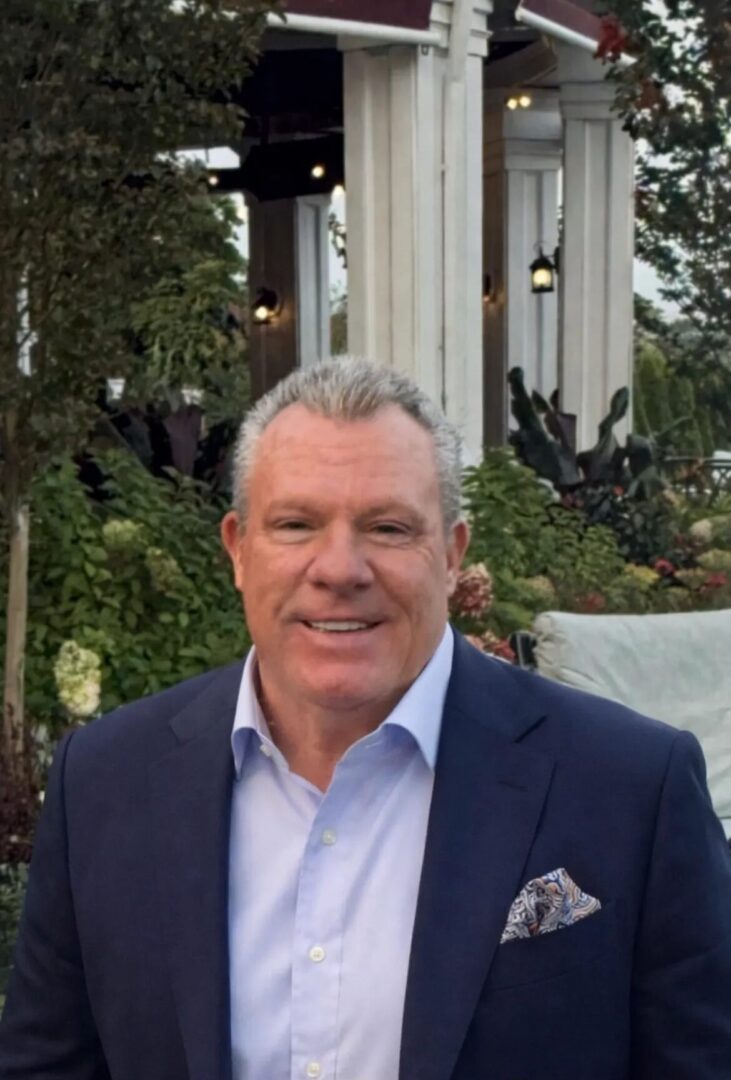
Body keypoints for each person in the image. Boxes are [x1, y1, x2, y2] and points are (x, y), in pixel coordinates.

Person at [1, 358, 730, 1080]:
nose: (340, 568)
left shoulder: (631, 788)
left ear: (450, 555)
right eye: (295, 524)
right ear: (238, 551)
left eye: (386, 527)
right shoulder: (105, 783)